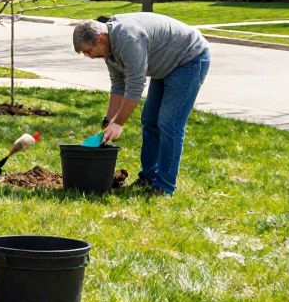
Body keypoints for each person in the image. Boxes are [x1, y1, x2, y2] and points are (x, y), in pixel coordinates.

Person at [73, 14, 210, 195]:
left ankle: (164, 186)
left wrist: (118, 123)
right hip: (166, 65)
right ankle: (148, 177)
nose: (88, 56)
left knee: (169, 123)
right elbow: (119, 86)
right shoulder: (108, 50)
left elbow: (135, 87)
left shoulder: (129, 39)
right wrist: (108, 122)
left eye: (87, 51)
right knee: (150, 120)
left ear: (99, 39)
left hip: (189, 58)